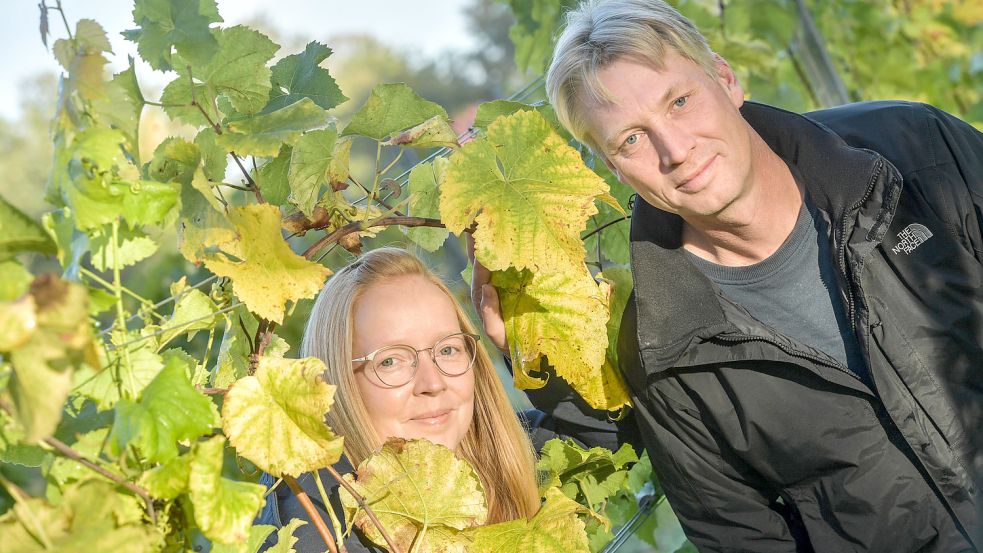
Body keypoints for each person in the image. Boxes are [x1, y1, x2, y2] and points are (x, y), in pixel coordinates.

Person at [471, 0, 983, 550]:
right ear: (614, 170)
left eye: (681, 101)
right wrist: (536, 355)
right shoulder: (665, 353)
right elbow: (745, 539)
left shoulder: (915, 151)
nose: (676, 150)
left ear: (725, 77)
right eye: (631, 139)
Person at [257, 247, 544, 552]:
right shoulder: (314, 526)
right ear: (336, 386)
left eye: (447, 350)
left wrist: (526, 344)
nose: (432, 383)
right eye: (391, 361)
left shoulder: (503, 454)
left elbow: (599, 430)